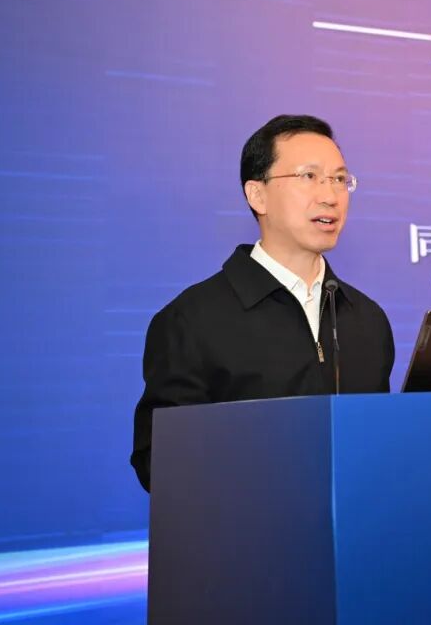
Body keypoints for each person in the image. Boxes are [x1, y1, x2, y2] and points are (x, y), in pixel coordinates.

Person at [130, 115, 394, 492]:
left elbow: (379, 447)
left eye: (339, 179)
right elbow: (159, 462)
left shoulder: (367, 319)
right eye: (309, 176)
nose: (330, 195)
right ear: (258, 195)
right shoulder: (192, 320)